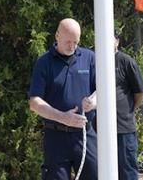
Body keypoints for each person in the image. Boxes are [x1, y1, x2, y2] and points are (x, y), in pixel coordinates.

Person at [28, 18, 98, 180]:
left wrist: (93, 102)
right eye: (68, 41)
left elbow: (102, 90)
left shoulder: (89, 58)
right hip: (56, 136)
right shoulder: (44, 62)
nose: (72, 46)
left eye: (76, 41)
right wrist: (63, 117)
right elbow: (34, 103)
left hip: (85, 134)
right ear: (57, 36)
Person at [114, 31, 143, 180]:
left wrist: (129, 110)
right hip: (99, 128)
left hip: (123, 128)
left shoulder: (126, 62)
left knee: (127, 170)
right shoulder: (95, 60)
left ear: (117, 41)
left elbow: (139, 92)